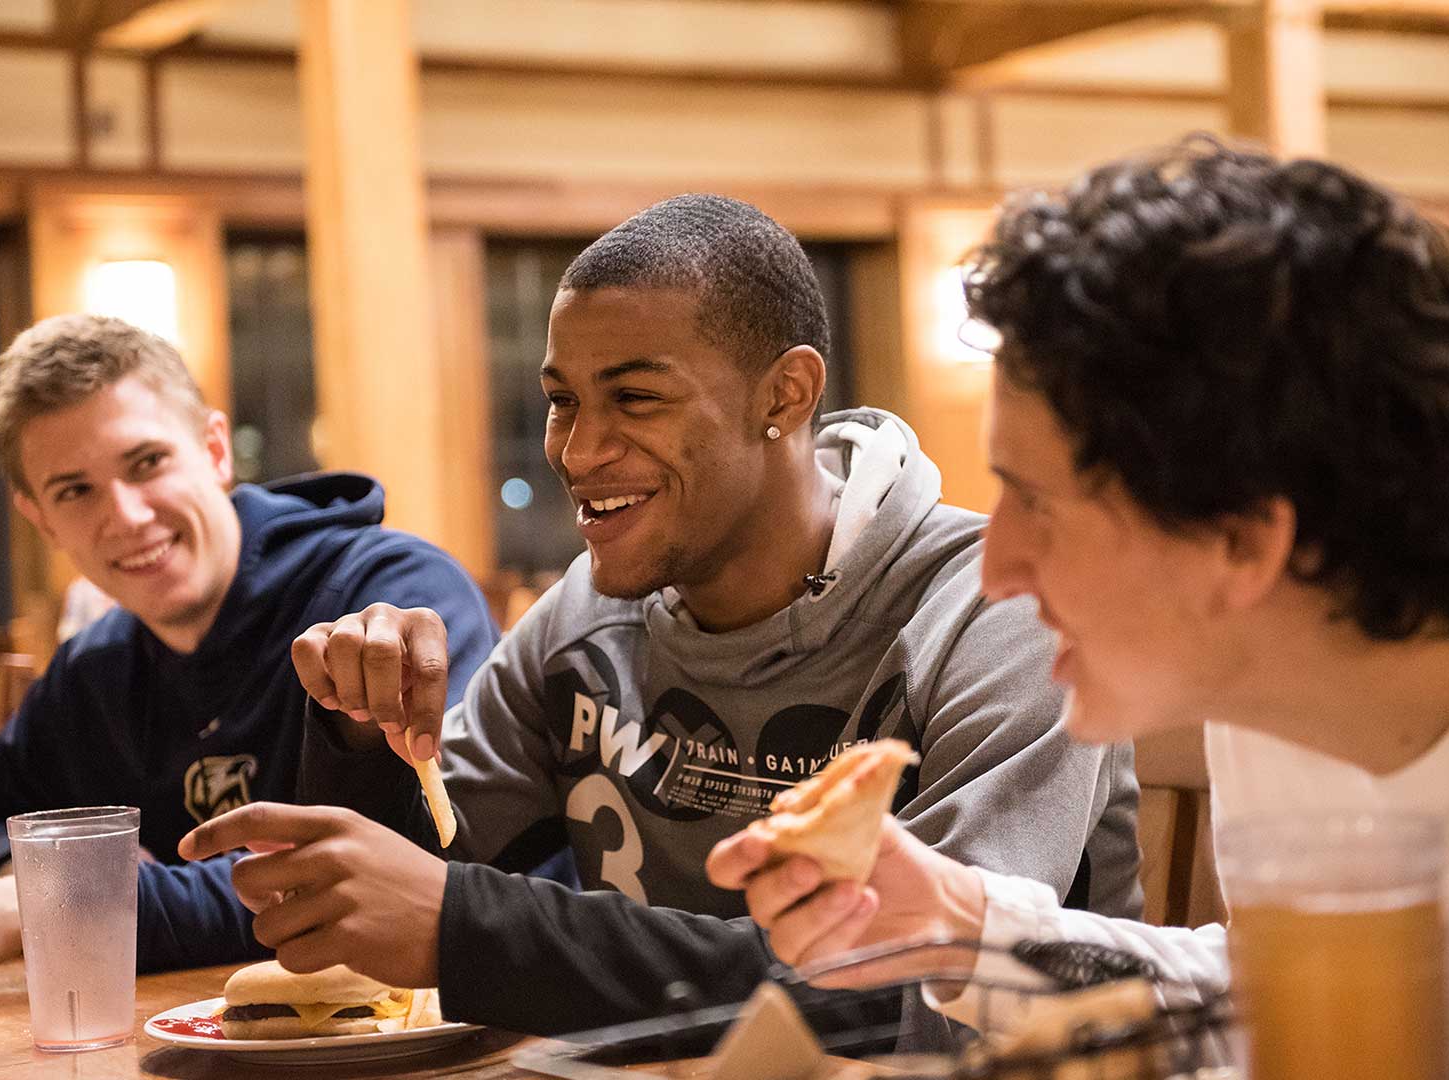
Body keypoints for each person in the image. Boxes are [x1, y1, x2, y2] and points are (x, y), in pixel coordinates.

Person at [707, 140, 1449, 1079]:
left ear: (1243, 542)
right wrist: (967, 932)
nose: (998, 565)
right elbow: (1267, 1000)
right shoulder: (1276, 681)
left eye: (1037, 503)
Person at [180, 194, 1143, 1036]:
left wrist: (468, 929)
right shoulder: (589, 611)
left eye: (635, 397)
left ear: (785, 393)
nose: (579, 449)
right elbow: (419, 873)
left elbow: (924, 987)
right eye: (562, 401)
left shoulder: (993, 609)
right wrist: (362, 733)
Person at [0, 314, 499, 984]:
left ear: (215, 449)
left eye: (148, 462)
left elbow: (405, 871)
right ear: (41, 519)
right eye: (75, 490)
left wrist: (38, 906)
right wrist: (18, 871)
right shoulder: (95, 668)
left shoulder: (392, 594)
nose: (128, 516)